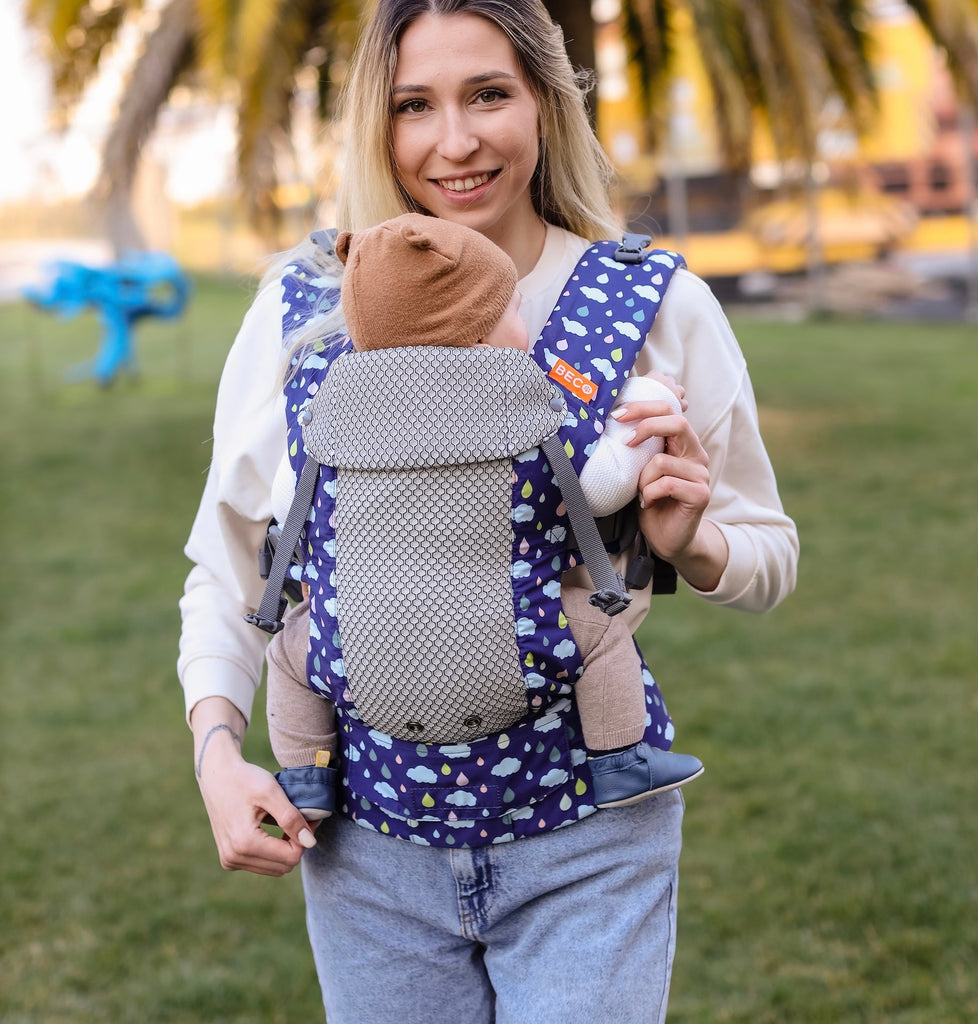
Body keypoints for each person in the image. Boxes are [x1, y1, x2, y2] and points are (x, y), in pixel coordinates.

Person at [178, 1, 799, 1021]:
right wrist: (215, 748)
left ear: (547, 106)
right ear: (376, 124)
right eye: (413, 104)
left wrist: (695, 544)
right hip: (368, 858)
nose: (453, 141)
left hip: (589, 847)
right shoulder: (305, 306)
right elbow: (232, 564)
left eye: (488, 95)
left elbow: (770, 554)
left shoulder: (649, 302)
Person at [263, 211, 705, 822]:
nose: (526, 325)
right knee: (604, 633)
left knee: (289, 652)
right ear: (474, 335)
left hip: (358, 648)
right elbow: (600, 489)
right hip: (520, 640)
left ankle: (306, 777)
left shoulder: (327, 412)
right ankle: (619, 761)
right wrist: (647, 398)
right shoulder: (523, 407)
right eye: (514, 311)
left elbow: (290, 501)